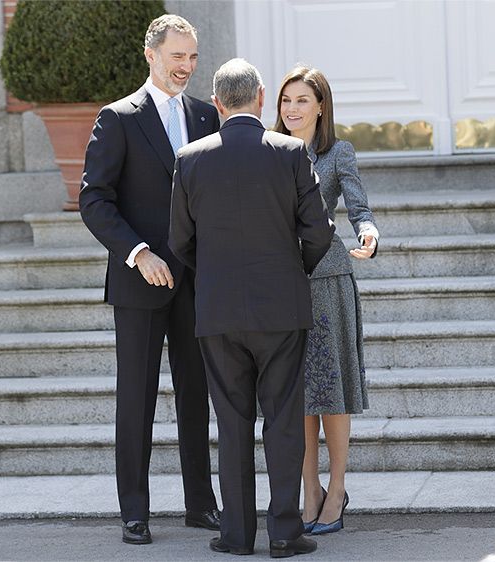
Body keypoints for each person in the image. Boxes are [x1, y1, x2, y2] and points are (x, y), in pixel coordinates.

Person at [169, 58, 334, 557]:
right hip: (281, 308)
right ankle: (285, 533)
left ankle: (236, 535)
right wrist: (292, 269)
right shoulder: (289, 151)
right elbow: (320, 232)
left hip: (217, 310)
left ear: (217, 102)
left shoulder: (189, 158)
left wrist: (217, 275)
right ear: (261, 97)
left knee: (232, 422)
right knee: (283, 420)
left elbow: (179, 241)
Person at [79, 14, 221, 545]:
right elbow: (93, 198)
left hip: (198, 282)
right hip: (140, 282)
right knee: (136, 398)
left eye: (192, 57)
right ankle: (134, 512)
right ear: (151, 56)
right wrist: (137, 253)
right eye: (176, 56)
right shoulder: (118, 118)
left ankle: (200, 505)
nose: (185, 66)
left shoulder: (208, 117)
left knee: (196, 393)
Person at [274, 66, 379, 535]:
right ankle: (308, 489)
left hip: (329, 280)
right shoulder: (268, 150)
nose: (292, 109)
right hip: (280, 282)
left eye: (301, 100)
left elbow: (358, 207)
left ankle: (337, 488)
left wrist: (369, 232)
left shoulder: (338, 153)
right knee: (296, 394)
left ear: (321, 106)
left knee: (331, 391)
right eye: (285, 101)